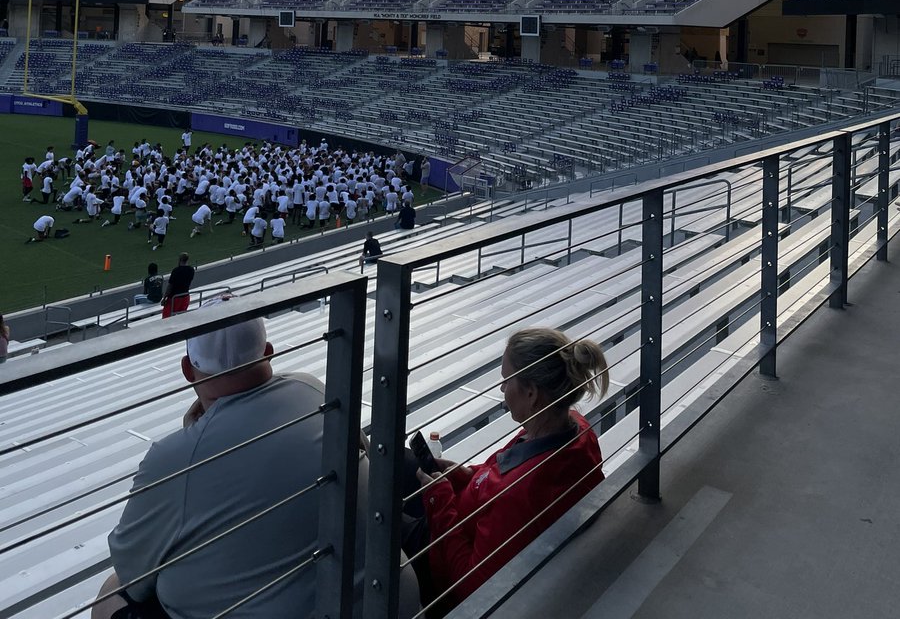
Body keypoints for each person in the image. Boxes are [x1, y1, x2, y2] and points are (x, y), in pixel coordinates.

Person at [91, 299, 419, 619]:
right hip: (392, 598)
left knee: (111, 592)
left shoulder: (171, 459)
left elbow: (132, 576)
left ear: (188, 370)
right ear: (268, 352)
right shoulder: (315, 390)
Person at [413, 327, 608, 607]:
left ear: (531, 393)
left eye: (507, 380)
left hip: (438, 550)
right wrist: (466, 475)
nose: (502, 389)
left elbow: (467, 586)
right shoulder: (573, 430)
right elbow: (502, 473)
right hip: (459, 515)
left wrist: (439, 499)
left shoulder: (522, 491)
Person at [161, 253, 194, 318]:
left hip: (174, 298)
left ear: (179, 260)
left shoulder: (176, 271)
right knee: (181, 316)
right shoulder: (191, 270)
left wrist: (164, 298)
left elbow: (170, 286)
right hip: (185, 297)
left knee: (166, 317)